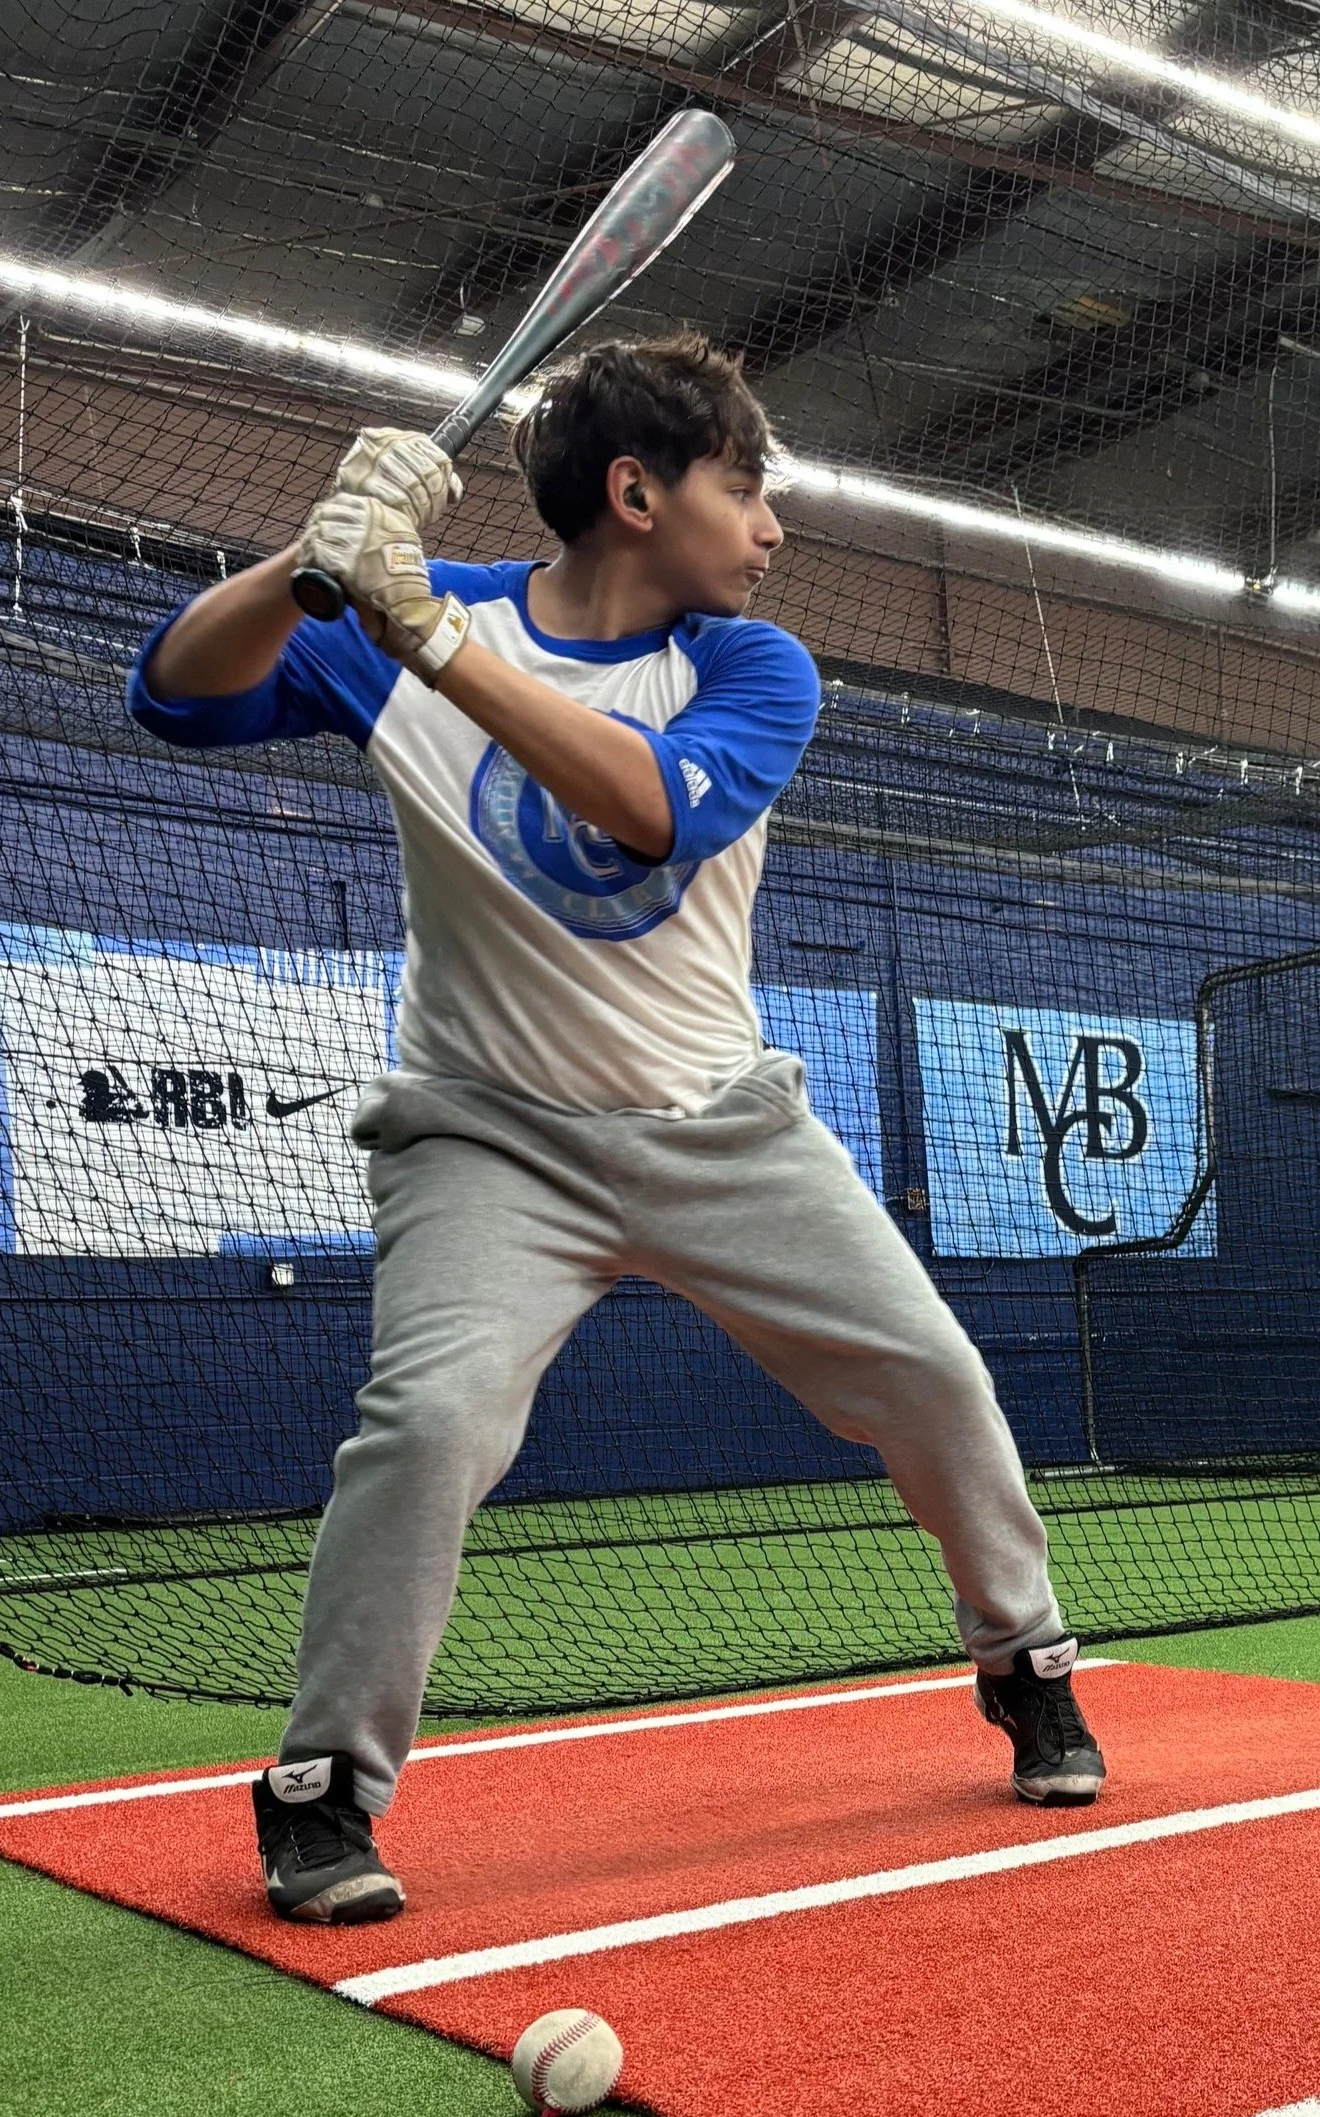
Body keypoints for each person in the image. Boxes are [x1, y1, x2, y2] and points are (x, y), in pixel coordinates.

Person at [126, 331, 1105, 1925]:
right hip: (488, 1138)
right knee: (430, 1425)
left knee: (932, 1374)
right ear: (639, 493)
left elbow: (648, 809)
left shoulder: (749, 667)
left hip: (724, 1128)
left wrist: (431, 637)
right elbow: (172, 693)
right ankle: (321, 1787)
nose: (771, 528)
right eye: (746, 488)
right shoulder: (393, 623)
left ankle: (1026, 1655)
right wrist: (303, 566)